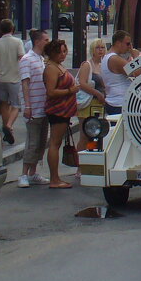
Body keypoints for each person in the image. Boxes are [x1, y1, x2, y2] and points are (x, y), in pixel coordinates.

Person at [43, 39, 80, 189]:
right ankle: (54, 179)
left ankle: (56, 178)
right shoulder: (51, 68)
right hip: (58, 110)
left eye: (65, 51)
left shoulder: (57, 66)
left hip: (64, 110)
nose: (63, 55)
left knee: (55, 143)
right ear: (53, 53)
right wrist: (70, 91)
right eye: (60, 52)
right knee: (54, 144)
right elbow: (51, 92)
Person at [19, 30, 50, 187]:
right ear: (37, 41)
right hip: (34, 107)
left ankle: (33, 172)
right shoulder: (27, 59)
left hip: (44, 107)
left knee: (41, 141)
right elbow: (25, 83)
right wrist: (28, 105)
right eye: (45, 39)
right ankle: (23, 174)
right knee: (32, 142)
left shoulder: (42, 59)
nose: (47, 42)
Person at [0, 19, 25, 144]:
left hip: (1, 78)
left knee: (4, 104)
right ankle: (9, 126)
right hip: (14, 78)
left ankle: (7, 126)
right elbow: (21, 58)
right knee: (16, 105)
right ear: (12, 29)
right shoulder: (18, 42)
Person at [77, 38, 108, 150]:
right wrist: (97, 93)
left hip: (99, 106)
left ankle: (90, 158)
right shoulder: (87, 65)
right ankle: (80, 165)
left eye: (102, 47)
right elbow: (82, 83)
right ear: (92, 50)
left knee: (95, 136)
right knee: (85, 135)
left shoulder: (103, 66)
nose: (100, 50)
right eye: (97, 48)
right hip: (87, 104)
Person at [104, 29, 141, 115]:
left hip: (115, 101)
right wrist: (136, 57)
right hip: (120, 103)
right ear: (118, 43)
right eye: (127, 44)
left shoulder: (107, 57)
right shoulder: (115, 59)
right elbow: (138, 74)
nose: (130, 47)